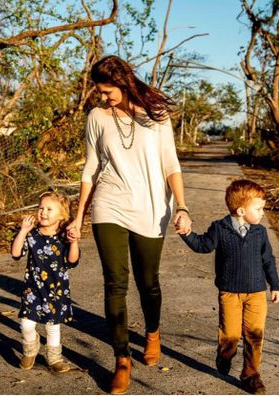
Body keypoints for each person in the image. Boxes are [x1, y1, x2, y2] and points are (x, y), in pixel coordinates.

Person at [67, 55, 191, 394]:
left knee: (148, 281)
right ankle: (121, 358)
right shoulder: (97, 117)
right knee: (114, 283)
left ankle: (152, 333)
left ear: (122, 83)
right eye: (99, 92)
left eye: (107, 91)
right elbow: (91, 169)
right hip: (110, 203)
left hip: (151, 207)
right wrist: (79, 216)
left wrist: (181, 205)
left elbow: (171, 164)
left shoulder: (157, 115)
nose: (102, 97)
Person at [177, 179, 279, 395]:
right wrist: (187, 233)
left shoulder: (260, 232)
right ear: (241, 210)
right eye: (259, 208)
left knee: (254, 335)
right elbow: (203, 245)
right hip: (230, 293)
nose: (262, 212)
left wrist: (275, 285)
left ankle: (251, 375)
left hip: (256, 293)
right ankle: (225, 355)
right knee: (230, 336)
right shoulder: (220, 228)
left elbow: (268, 260)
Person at [11, 192, 80, 373]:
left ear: (61, 215)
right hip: (33, 288)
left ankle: (54, 358)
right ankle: (30, 348)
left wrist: (74, 243)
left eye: (49, 209)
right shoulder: (32, 235)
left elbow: (72, 261)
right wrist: (23, 231)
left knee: (52, 326)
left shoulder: (64, 236)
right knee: (26, 324)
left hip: (56, 289)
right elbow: (16, 253)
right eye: (41, 208)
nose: (43, 212)